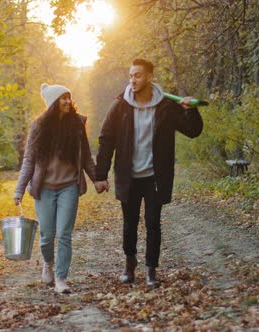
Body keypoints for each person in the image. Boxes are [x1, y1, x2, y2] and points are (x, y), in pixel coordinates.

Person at [94, 58, 203, 288]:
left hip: (155, 176)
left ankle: (151, 269)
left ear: (150, 77)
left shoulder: (166, 105)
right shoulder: (120, 105)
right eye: (131, 75)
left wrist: (190, 111)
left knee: (153, 223)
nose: (133, 80)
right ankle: (129, 262)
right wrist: (100, 175)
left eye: (138, 75)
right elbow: (106, 139)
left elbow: (193, 131)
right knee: (129, 223)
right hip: (129, 176)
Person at [14, 83, 97, 294]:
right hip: (44, 189)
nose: (68, 101)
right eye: (63, 98)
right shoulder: (39, 127)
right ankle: (48, 263)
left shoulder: (77, 124)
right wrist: (19, 189)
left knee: (65, 235)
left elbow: (86, 156)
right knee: (46, 235)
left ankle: (61, 278)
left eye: (69, 97)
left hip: (69, 186)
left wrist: (97, 179)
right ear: (53, 103)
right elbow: (29, 160)